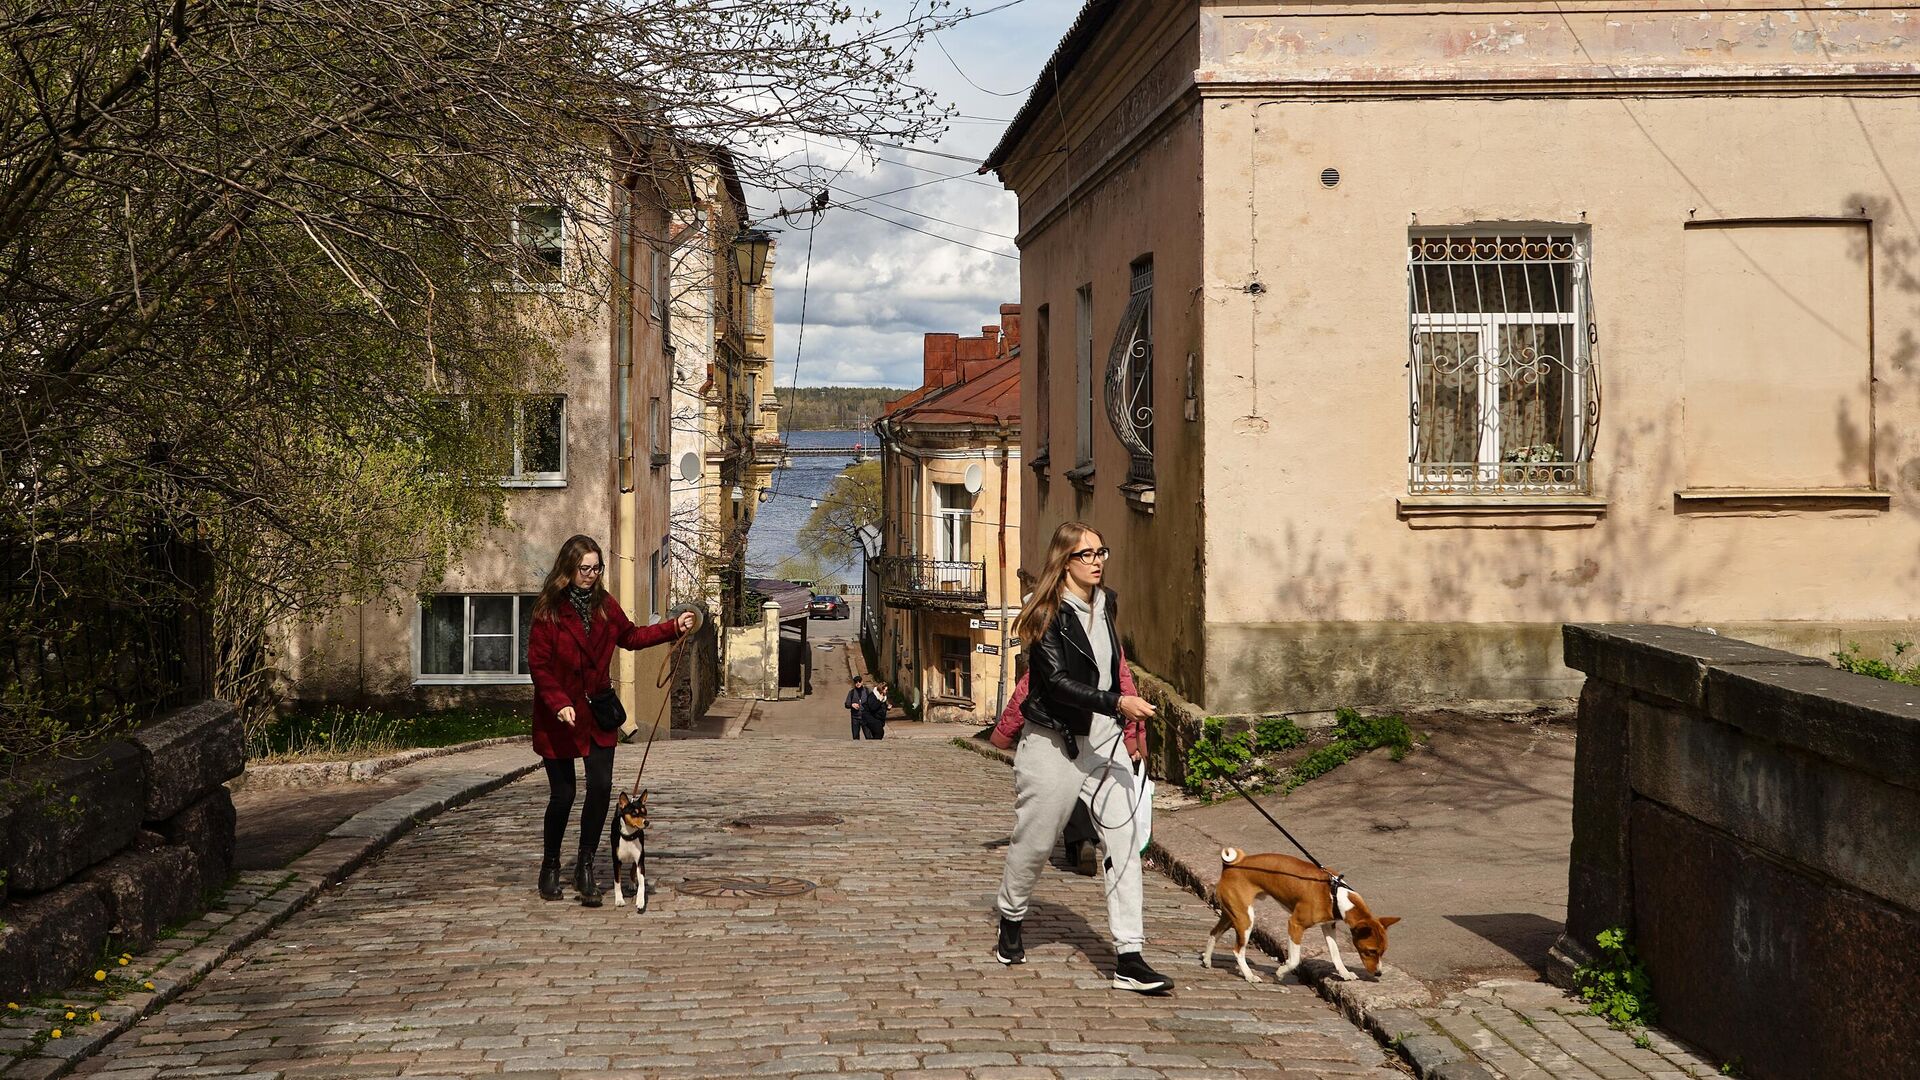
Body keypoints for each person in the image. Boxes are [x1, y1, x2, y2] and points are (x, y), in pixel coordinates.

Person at [992, 521, 1170, 993]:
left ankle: (1129, 956)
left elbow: (1117, 670)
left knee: (1125, 842)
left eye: (1101, 552)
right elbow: (1056, 685)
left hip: (1105, 743)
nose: (1097, 561)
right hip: (1053, 744)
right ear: (1064, 562)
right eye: (1086, 554)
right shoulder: (1045, 615)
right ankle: (1011, 917)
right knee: (1034, 841)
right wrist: (1117, 704)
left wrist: (1129, 720)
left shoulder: (1106, 604)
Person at [526, 534, 697, 906]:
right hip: (558, 716)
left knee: (601, 789)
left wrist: (672, 627)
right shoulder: (548, 611)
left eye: (596, 568)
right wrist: (558, 703)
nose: (590, 574)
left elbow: (632, 636)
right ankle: (550, 866)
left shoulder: (605, 606)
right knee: (564, 794)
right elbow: (538, 666)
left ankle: (585, 865)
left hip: (598, 711)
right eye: (583, 568)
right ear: (568, 569)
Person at [844, 675, 869, 739]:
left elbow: (872, 701)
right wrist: (852, 705)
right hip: (855, 718)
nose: (858, 683)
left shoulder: (867, 691)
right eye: (856, 682)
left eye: (859, 681)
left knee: (869, 736)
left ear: (862, 682)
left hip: (865, 717)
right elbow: (847, 704)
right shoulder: (851, 692)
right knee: (855, 737)